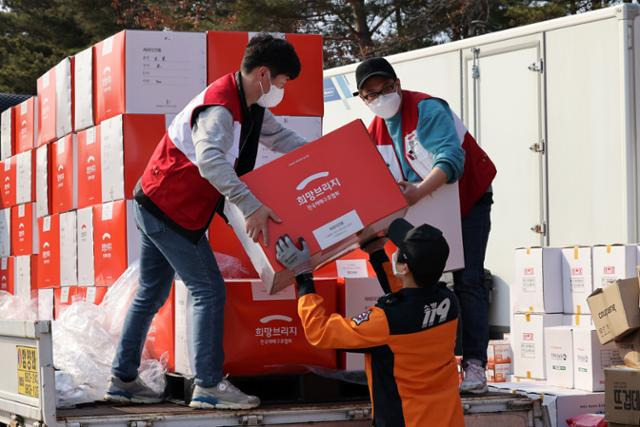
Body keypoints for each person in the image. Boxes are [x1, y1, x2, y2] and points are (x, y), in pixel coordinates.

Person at [105, 34, 307, 409]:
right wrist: (250, 205)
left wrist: (330, 154)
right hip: (171, 209)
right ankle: (209, 386)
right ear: (263, 73)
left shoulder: (247, 104)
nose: (280, 89)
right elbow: (211, 161)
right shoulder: (220, 109)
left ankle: (123, 378)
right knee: (209, 290)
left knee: (151, 291)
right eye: (280, 81)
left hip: (156, 200)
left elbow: (280, 138)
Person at [353, 57, 496, 394]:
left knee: (469, 278)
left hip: (466, 201)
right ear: (363, 98)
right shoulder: (373, 131)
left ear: (397, 84)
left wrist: (417, 192)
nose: (381, 97)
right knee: (415, 279)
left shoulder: (427, 109)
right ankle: (431, 361)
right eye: (371, 94)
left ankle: (474, 365)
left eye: (386, 88)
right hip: (421, 208)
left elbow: (451, 159)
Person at [276, 219, 464, 427]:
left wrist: (303, 277)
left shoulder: (385, 322)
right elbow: (407, 296)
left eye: (398, 249)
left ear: (403, 267)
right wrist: (376, 252)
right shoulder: (448, 301)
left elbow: (319, 332)